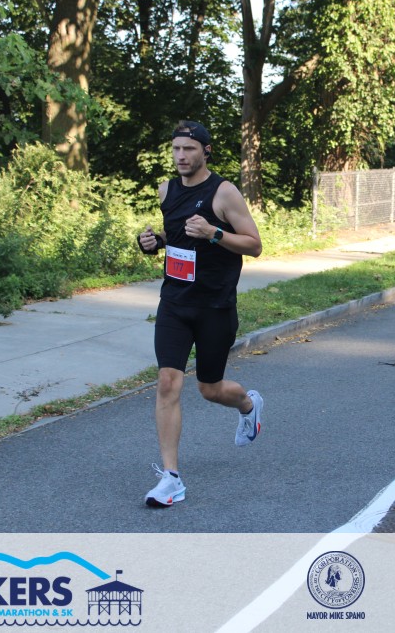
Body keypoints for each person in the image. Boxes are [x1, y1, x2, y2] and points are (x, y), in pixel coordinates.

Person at [136, 120, 265, 508]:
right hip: (175, 303)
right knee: (167, 382)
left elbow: (254, 245)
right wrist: (154, 243)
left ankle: (248, 405)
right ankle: (171, 478)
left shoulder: (224, 192)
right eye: (176, 149)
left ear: (205, 151)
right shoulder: (167, 190)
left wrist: (214, 233)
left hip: (214, 306)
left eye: (189, 149)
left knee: (210, 389)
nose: (181, 156)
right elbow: (177, 237)